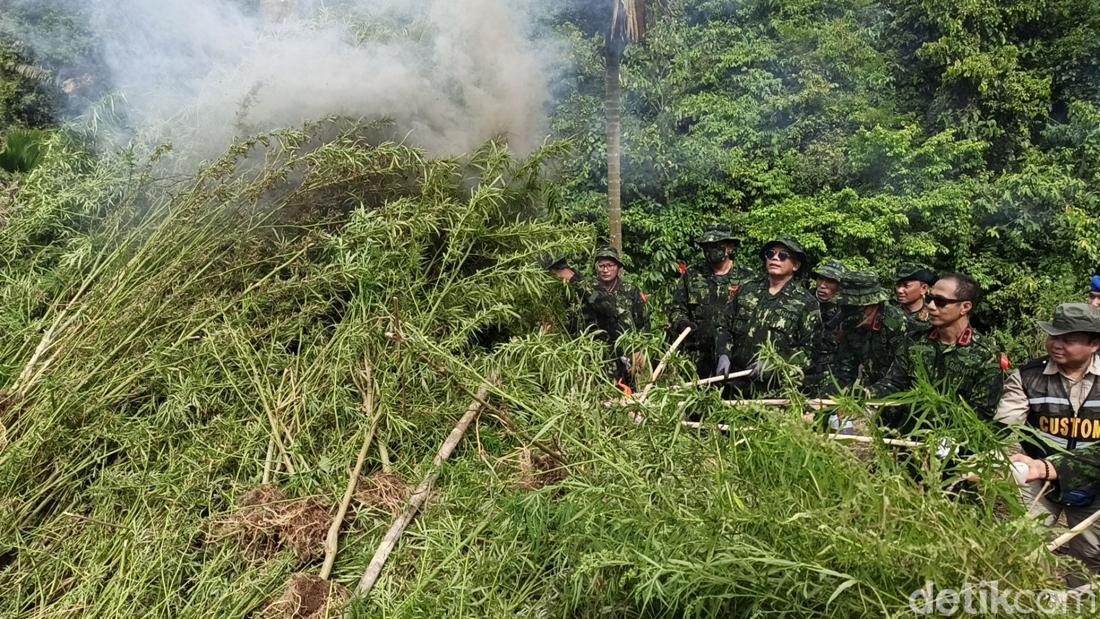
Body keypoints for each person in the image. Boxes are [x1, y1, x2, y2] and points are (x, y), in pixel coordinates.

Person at [996, 303, 1100, 563]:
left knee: (1090, 557)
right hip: (1038, 481)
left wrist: (1049, 467)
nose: (1057, 344)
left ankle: (1081, 601)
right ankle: (1033, 600)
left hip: (1095, 485)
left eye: (1069, 339)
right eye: (1053, 336)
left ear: (1094, 344)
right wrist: (1008, 457)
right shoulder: (1027, 377)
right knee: (1027, 549)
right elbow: (1004, 428)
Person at [871, 272, 1006, 428]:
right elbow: (894, 383)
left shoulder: (986, 356)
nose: (931, 306)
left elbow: (980, 413)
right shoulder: (914, 341)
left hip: (952, 444)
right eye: (930, 299)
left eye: (941, 301)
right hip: (903, 438)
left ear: (965, 307)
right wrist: (868, 394)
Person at [718, 237, 822, 393]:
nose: (775, 258)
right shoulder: (747, 290)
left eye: (783, 255)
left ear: (796, 265)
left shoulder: (806, 303)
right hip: (733, 383)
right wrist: (722, 354)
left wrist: (775, 363)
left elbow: (809, 352)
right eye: (770, 253)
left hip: (773, 390)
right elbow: (723, 324)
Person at [552, 245, 649, 387]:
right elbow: (593, 300)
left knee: (629, 396)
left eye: (610, 265)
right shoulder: (588, 287)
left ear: (618, 267)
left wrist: (640, 350)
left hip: (626, 354)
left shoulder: (630, 290)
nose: (605, 270)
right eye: (601, 265)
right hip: (597, 355)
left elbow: (642, 322)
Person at [669, 225, 755, 379]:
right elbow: (676, 308)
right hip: (696, 356)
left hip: (733, 357)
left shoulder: (748, 278)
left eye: (716, 246)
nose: (710, 251)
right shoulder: (692, 274)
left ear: (729, 248)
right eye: (706, 247)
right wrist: (682, 322)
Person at [830, 271, 911, 392]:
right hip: (870, 387)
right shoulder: (849, 325)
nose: (850, 313)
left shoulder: (896, 323)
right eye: (846, 307)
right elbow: (845, 369)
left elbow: (900, 374)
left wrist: (871, 393)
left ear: (873, 304)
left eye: (855, 308)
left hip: (899, 393)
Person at [805, 260, 847, 388]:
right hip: (800, 368)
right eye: (820, 279)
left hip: (831, 374)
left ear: (839, 286)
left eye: (830, 281)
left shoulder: (846, 308)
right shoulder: (803, 299)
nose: (823, 285)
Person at [895, 264, 937, 335]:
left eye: (906, 285)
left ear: (923, 288)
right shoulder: (890, 314)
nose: (899, 290)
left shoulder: (934, 317)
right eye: (898, 285)